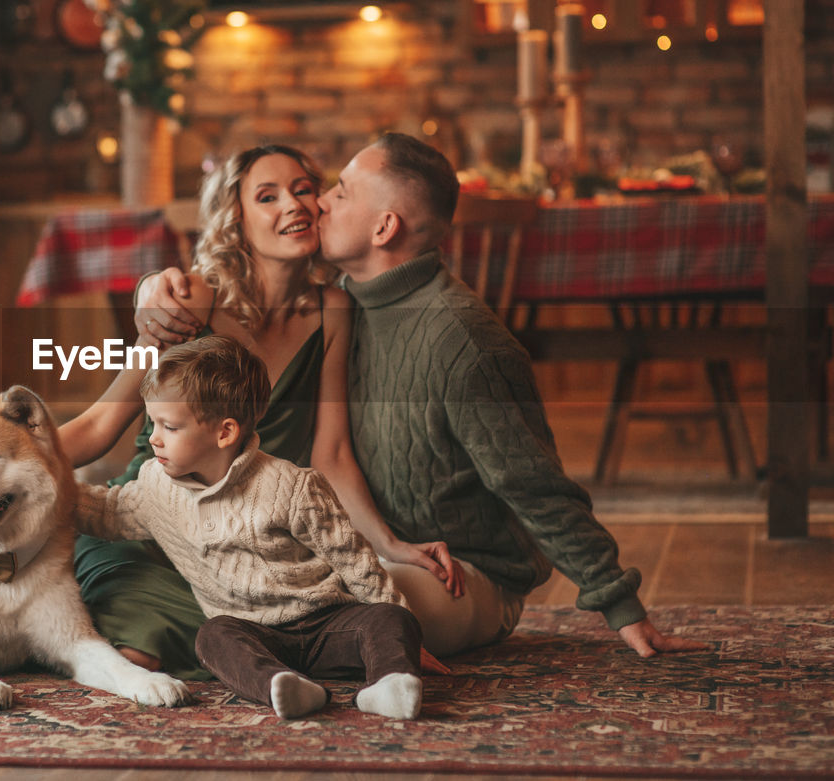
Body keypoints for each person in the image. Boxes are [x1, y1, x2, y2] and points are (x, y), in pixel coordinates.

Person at [143, 132, 709, 660]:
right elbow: (327, 448)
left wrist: (619, 603)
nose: (319, 205)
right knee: (258, 577)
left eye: (338, 192)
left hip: (460, 571)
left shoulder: (463, 341)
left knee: (316, 601)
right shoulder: (346, 305)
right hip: (373, 546)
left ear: (384, 228)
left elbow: (535, 486)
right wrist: (155, 287)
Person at [58, 144, 461, 679]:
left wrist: (388, 544)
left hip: (250, 546)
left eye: (301, 190)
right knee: (143, 646)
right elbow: (100, 424)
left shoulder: (333, 309)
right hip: (150, 526)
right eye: (266, 196)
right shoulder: (192, 299)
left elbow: (332, 453)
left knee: (287, 617)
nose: (292, 205)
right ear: (236, 220)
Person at [76, 335, 433, 720]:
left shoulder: (290, 486)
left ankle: (391, 683)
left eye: (169, 427)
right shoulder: (155, 486)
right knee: (213, 638)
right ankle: (282, 685)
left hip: (325, 622)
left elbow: (353, 558)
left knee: (390, 617)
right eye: (152, 423)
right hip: (253, 635)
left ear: (224, 432)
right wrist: (49, 488)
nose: (155, 439)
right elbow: (107, 513)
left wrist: (407, 636)